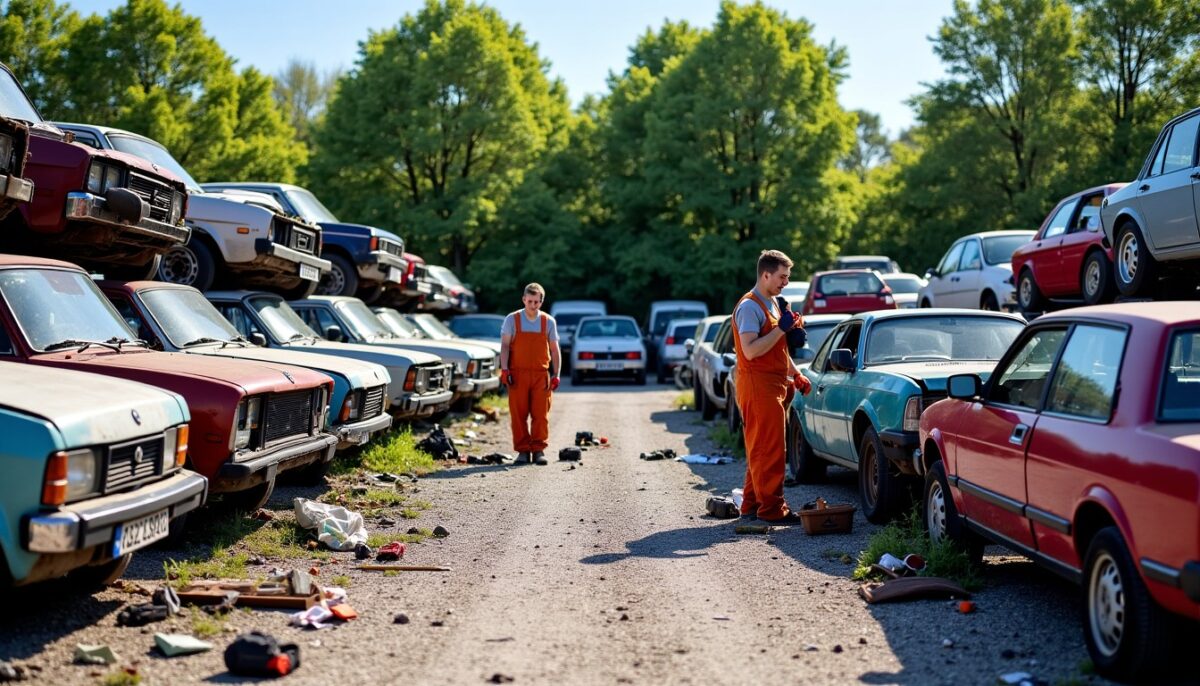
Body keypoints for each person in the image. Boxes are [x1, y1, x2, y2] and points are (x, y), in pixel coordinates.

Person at [732, 249, 811, 524]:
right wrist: (781, 329)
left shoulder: (774, 303)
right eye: (782, 276)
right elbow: (751, 351)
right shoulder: (749, 306)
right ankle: (773, 510)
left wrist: (796, 374)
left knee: (761, 447)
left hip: (775, 384)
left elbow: (778, 349)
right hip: (757, 386)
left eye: (787, 277)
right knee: (771, 449)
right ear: (765, 275)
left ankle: (752, 505)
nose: (785, 282)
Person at [499, 283, 562, 465]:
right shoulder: (512, 320)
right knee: (518, 415)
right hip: (517, 374)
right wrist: (505, 369)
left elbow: (555, 350)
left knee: (540, 415)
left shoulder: (548, 321)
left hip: (540, 374)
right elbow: (504, 346)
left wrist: (556, 374)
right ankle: (523, 451)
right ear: (524, 300)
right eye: (529, 301)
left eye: (536, 302)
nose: (533, 305)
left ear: (541, 302)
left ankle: (539, 449)